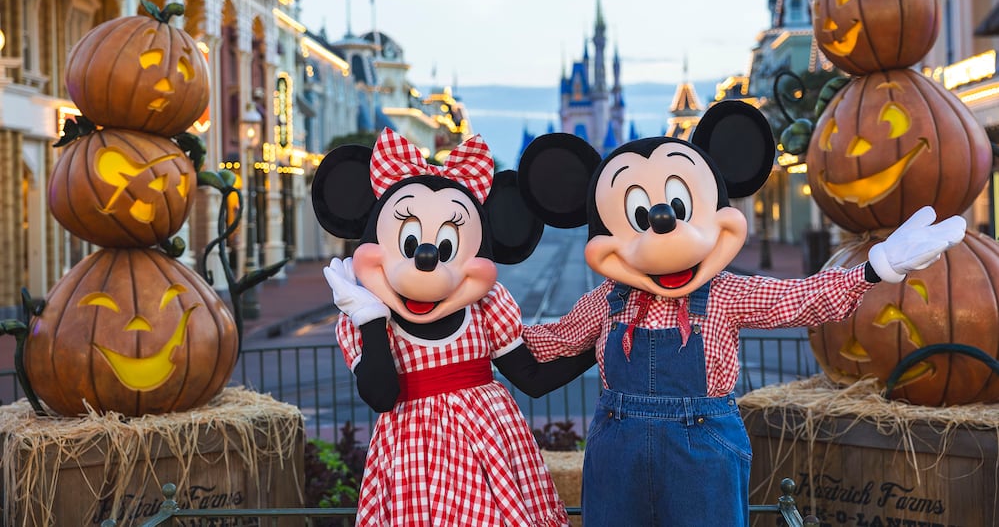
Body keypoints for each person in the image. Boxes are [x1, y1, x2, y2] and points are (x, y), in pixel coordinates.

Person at [516, 100, 966, 525]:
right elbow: (553, 341)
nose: (662, 225)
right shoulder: (607, 302)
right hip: (618, 456)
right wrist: (485, 325)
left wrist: (872, 269)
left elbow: (799, 299)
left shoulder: (725, 294)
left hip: (702, 454)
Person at [311, 128, 594, 526]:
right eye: (411, 241)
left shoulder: (486, 307)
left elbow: (530, 377)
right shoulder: (367, 320)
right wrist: (370, 318)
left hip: (490, 448)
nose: (427, 256)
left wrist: (601, 345)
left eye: (445, 247)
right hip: (414, 459)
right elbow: (381, 394)